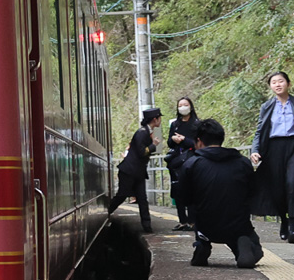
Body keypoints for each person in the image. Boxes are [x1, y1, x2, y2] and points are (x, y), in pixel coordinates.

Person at [250, 72, 294, 243]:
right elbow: (260, 131)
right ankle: (283, 221)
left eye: (280, 81)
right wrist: (255, 150)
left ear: (288, 84)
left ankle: (292, 227)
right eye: (273, 82)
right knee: (277, 187)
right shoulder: (267, 106)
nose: (277, 84)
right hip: (273, 149)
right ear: (270, 86)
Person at [183, 119, 262, 268]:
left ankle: (202, 244)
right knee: (245, 237)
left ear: (199, 141)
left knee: (198, 210)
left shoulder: (191, 164)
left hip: (206, 226)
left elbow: (184, 197)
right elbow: (253, 193)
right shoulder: (243, 162)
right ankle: (243, 244)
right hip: (237, 225)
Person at [106, 107, 160, 232]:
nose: (160, 121)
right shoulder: (142, 133)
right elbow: (142, 152)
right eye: (159, 118)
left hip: (138, 172)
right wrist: (153, 145)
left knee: (142, 198)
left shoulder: (146, 132)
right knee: (122, 195)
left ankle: (147, 226)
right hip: (129, 171)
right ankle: (105, 213)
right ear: (154, 119)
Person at [165, 97, 201, 230]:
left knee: (191, 190)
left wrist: (184, 140)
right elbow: (169, 142)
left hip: (192, 159)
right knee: (178, 190)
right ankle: (182, 221)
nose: (183, 107)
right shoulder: (175, 124)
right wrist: (174, 139)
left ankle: (193, 221)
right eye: (180, 105)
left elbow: (197, 143)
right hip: (177, 161)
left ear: (191, 106)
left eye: (185, 104)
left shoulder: (197, 124)